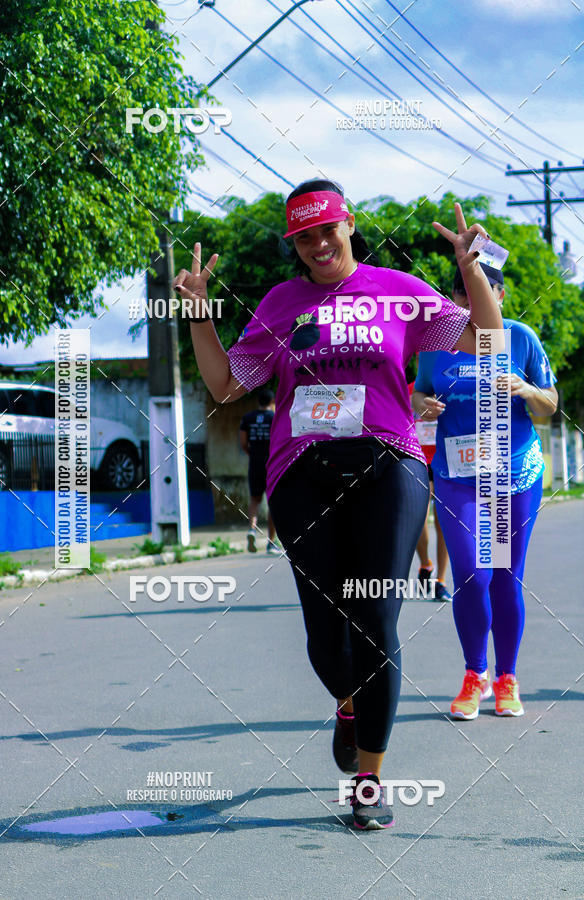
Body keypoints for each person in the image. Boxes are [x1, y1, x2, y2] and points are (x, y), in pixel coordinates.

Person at [174, 178, 502, 830]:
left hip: (390, 465)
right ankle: (347, 702)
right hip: (302, 473)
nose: (319, 243)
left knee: (376, 619)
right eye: (304, 236)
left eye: (328, 228)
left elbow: (487, 341)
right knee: (328, 637)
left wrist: (473, 274)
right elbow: (223, 383)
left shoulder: (398, 292)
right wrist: (197, 315)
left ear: (349, 224)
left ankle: (371, 781)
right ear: (295, 244)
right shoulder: (282, 301)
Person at [412, 264, 557, 721]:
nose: (473, 300)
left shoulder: (520, 338)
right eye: (464, 291)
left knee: (505, 576)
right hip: (458, 478)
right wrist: (422, 404)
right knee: (472, 574)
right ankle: (475, 674)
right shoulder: (436, 344)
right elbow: (416, 394)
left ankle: (507, 678)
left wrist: (527, 388)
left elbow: (550, 407)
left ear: (500, 293)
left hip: (513, 477)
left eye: (485, 291)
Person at [409, 378, 451, 601]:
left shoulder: (451, 387)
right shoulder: (409, 390)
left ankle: (441, 582)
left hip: (447, 460)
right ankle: (426, 564)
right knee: (418, 519)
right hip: (417, 460)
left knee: (444, 521)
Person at [239, 388, 279, 554]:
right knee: (273, 502)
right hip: (272, 463)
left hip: (254, 462)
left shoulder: (247, 418)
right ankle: (271, 542)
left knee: (255, 499)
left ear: (258, 401)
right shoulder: (275, 418)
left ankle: (252, 530)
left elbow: (243, 443)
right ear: (272, 402)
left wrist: (253, 454)